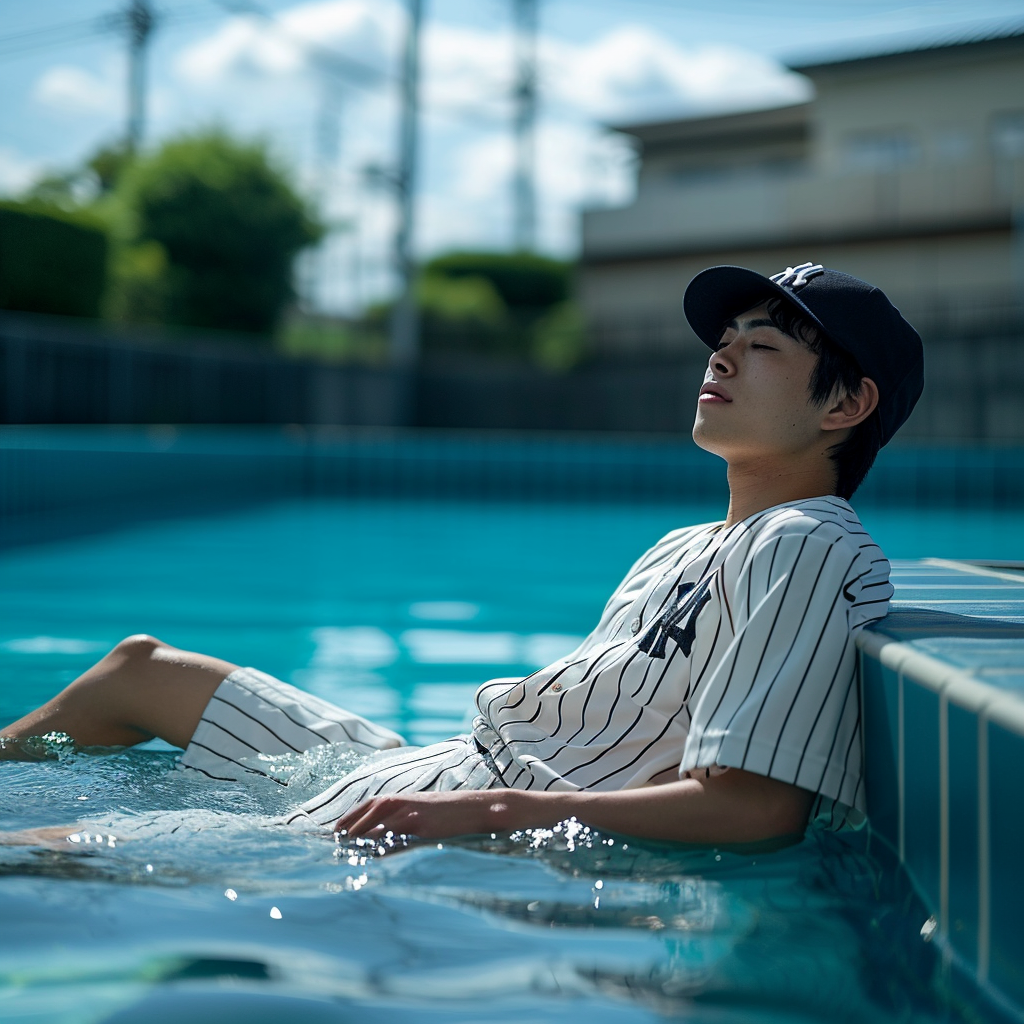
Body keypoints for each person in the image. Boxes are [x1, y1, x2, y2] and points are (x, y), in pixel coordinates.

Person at [0, 262, 924, 847]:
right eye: (723, 342)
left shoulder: (809, 543)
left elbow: (754, 809)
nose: (719, 359)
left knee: (55, 857)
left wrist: (484, 817)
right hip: (422, 764)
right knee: (139, 669)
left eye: (760, 346)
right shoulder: (687, 545)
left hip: (446, 810)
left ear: (845, 407)